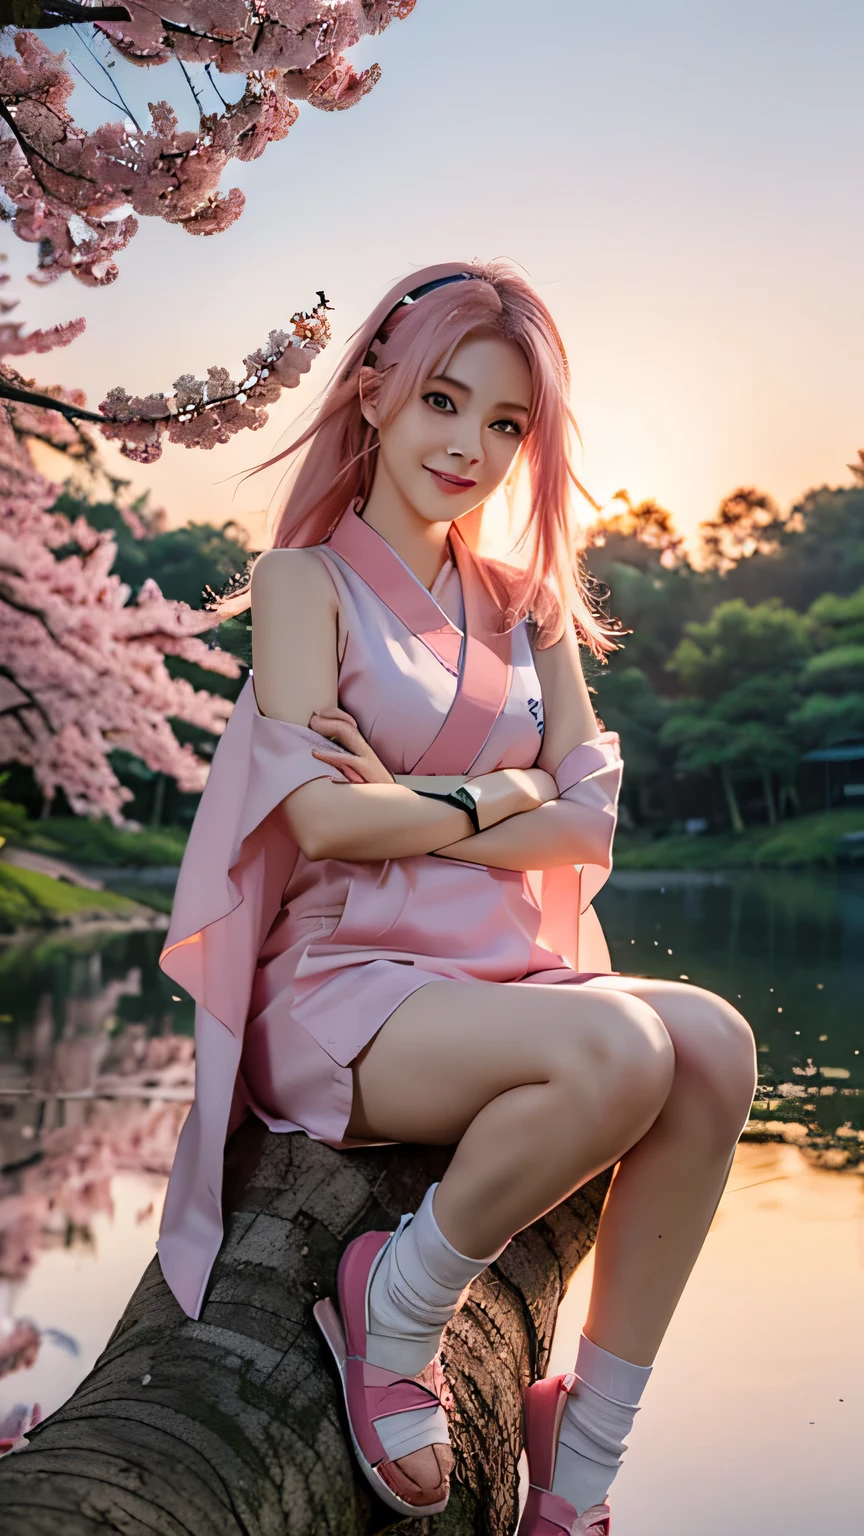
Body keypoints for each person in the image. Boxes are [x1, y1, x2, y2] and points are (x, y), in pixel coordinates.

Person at [157, 260, 757, 1535]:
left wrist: (427, 807)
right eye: (443, 400)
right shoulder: (300, 588)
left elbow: (590, 818)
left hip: (492, 976)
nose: (471, 448)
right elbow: (320, 819)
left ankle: (581, 1463)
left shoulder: (528, 603)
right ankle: (401, 1302)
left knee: (717, 1045)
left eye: (506, 424)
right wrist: (500, 795)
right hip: (345, 988)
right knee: (622, 1050)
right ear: (372, 393)